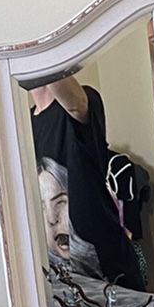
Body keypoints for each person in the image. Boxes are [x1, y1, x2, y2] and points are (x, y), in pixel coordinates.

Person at [30, 71, 138, 286]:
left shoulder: (82, 100)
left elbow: (75, 105)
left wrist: (38, 48)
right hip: (63, 283)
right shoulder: (23, 126)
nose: (52, 217)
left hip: (109, 270)